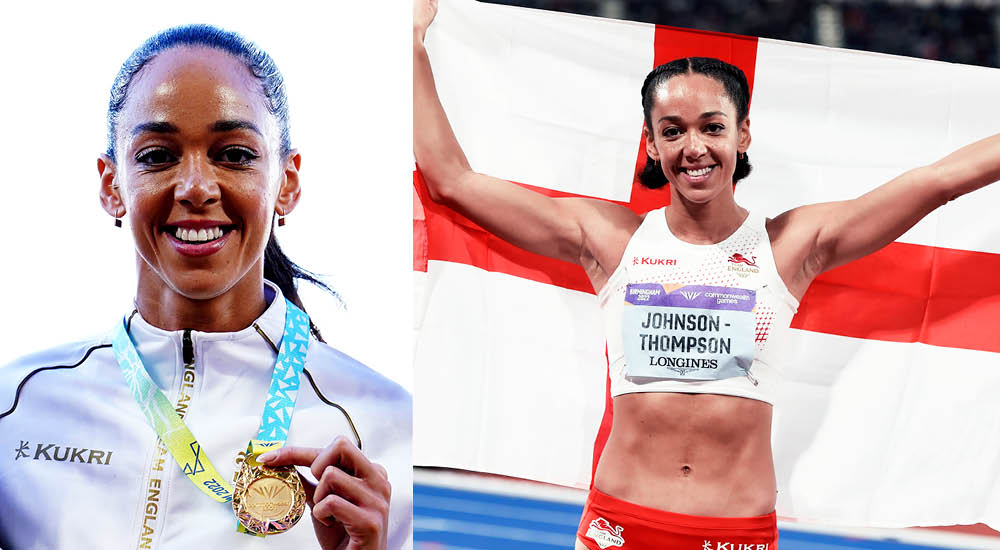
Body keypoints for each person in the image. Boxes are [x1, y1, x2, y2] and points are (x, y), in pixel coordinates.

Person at [413, 1, 1000, 547]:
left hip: (734, 531)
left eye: (711, 127)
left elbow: (937, 180)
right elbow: (452, 180)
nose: (693, 147)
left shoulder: (790, 246)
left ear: (742, 134)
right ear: (650, 144)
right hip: (621, 524)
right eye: (672, 130)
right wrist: (412, 41)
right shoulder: (613, 242)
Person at [0, 24, 411, 550]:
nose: (195, 187)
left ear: (286, 182)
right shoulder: (17, 406)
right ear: (111, 186)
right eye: (156, 156)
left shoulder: (390, 428)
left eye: (234, 154)